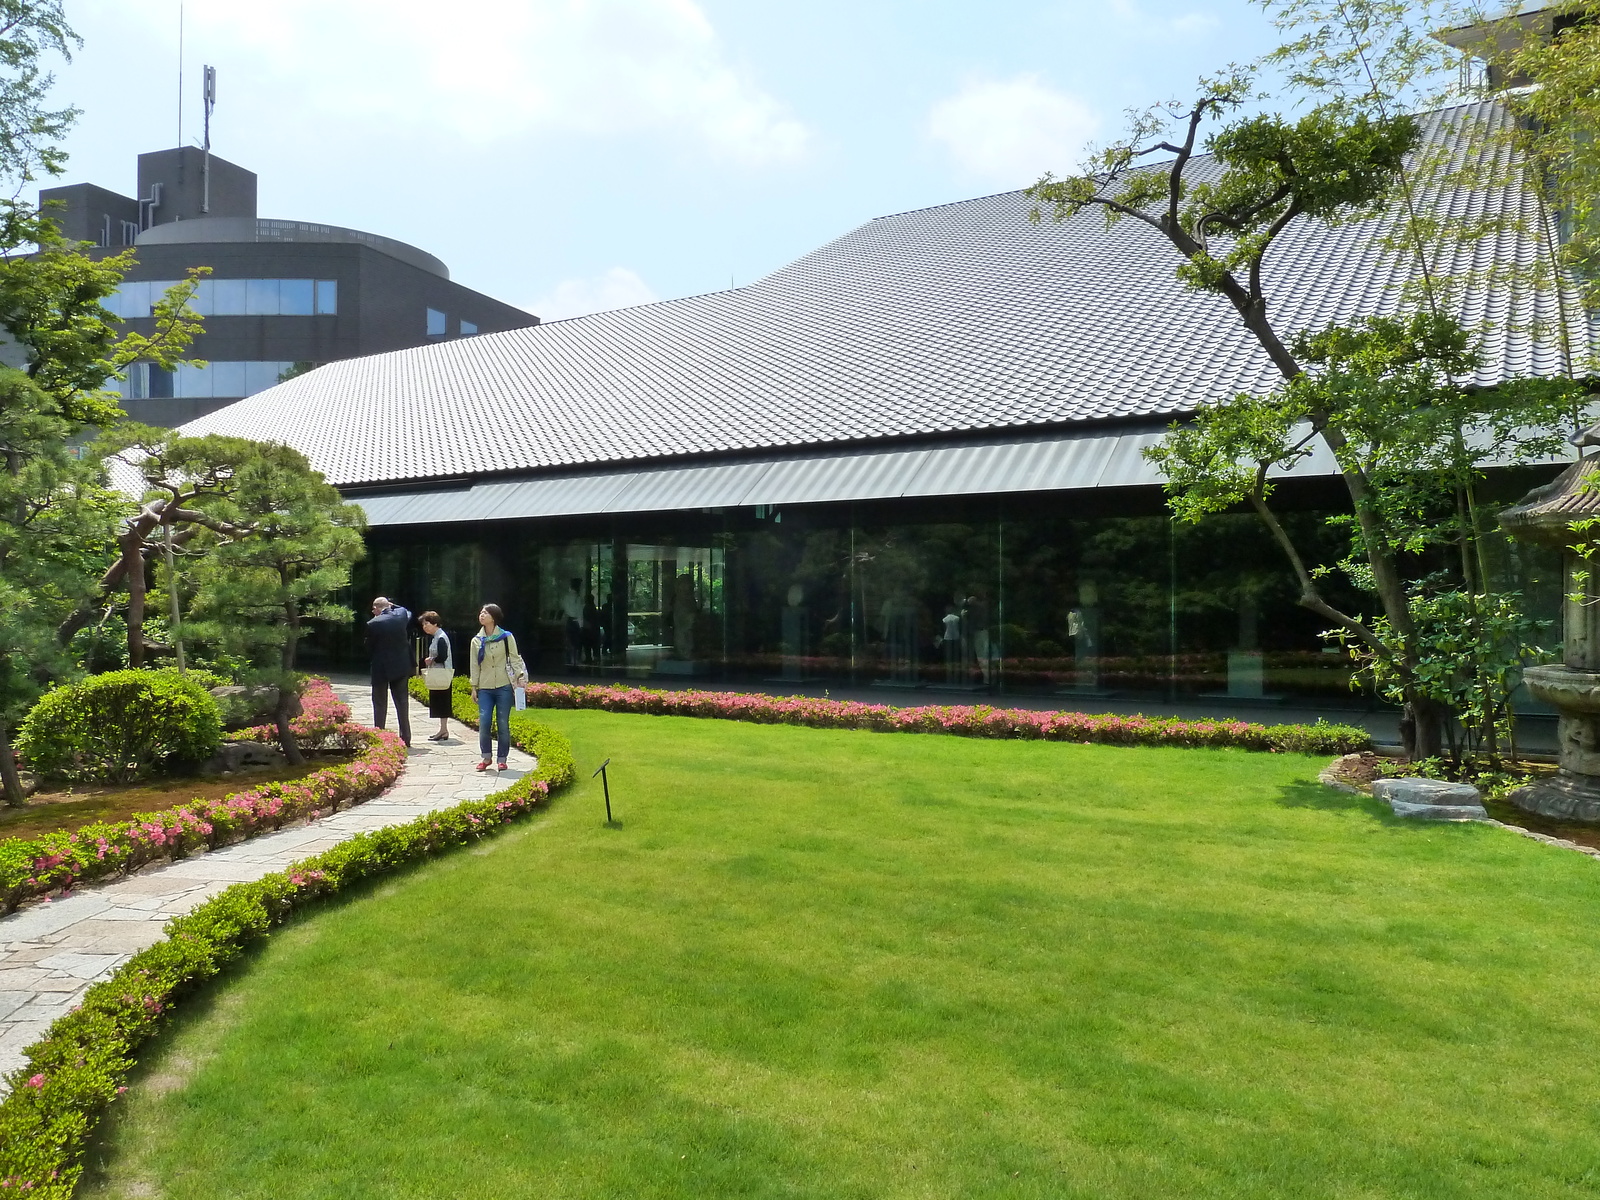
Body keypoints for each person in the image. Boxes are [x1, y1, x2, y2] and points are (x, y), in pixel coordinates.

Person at [468, 602, 526, 771]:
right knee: (484, 722)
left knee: (502, 723)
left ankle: (502, 758)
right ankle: (486, 757)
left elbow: (515, 659)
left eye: (485, 613)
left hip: (503, 686)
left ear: (493, 617)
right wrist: (474, 687)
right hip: (485, 688)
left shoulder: (507, 637)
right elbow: (474, 665)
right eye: (480, 613)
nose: (481, 615)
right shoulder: (476, 641)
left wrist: (520, 677)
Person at [366, 595, 414, 747]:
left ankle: (379, 735)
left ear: (375, 609)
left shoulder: (372, 623)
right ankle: (406, 737)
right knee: (402, 702)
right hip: (401, 665)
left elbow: (368, 647)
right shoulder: (401, 616)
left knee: (380, 703)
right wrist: (392, 605)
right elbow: (406, 610)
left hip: (381, 667)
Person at [419, 610, 454, 741]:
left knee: (442, 702)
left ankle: (444, 730)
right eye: (423, 624)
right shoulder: (437, 637)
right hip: (438, 674)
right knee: (439, 702)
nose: (424, 627)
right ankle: (443, 730)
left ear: (435, 623)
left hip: (441, 674)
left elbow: (443, 656)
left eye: (426, 623)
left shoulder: (440, 637)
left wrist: (431, 660)